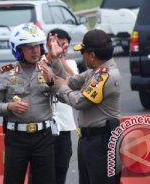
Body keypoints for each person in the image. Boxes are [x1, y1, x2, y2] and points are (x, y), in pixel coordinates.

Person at [48, 29, 121, 184]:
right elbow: (70, 80)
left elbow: (79, 101)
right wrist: (56, 59)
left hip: (102, 141)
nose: (82, 56)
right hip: (91, 140)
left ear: (92, 55)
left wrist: (59, 87)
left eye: (83, 53)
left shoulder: (105, 76)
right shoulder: (95, 72)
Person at [0, 23, 57, 184]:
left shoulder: (48, 69)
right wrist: (9, 107)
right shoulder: (5, 73)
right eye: (29, 47)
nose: (35, 51)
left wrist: (52, 82)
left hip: (44, 137)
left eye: (38, 46)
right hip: (16, 138)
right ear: (18, 50)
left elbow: (63, 96)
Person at [44, 28, 77, 184]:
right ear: (48, 44)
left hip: (64, 126)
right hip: (43, 127)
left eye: (65, 45)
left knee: (61, 167)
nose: (62, 48)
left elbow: (75, 83)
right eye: (58, 44)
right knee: (43, 170)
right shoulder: (39, 62)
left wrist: (60, 59)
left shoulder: (70, 63)